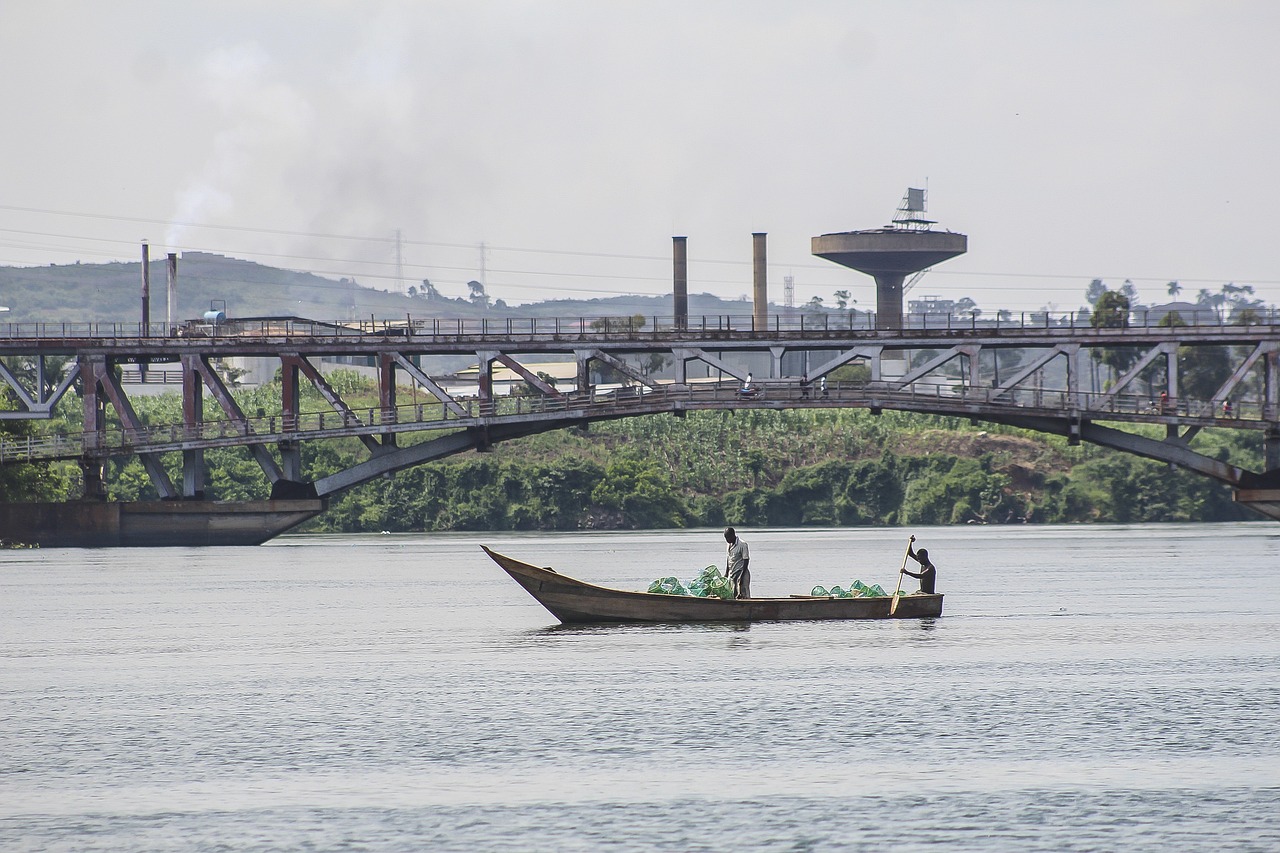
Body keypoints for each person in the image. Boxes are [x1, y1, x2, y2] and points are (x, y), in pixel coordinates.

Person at [724, 527, 751, 599]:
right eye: (725, 538)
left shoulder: (742, 544)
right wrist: (726, 573)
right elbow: (728, 559)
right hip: (732, 573)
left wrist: (741, 577)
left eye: (728, 538)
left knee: (744, 594)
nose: (727, 540)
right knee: (732, 594)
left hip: (742, 573)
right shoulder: (729, 545)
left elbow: (746, 560)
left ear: (733, 535)